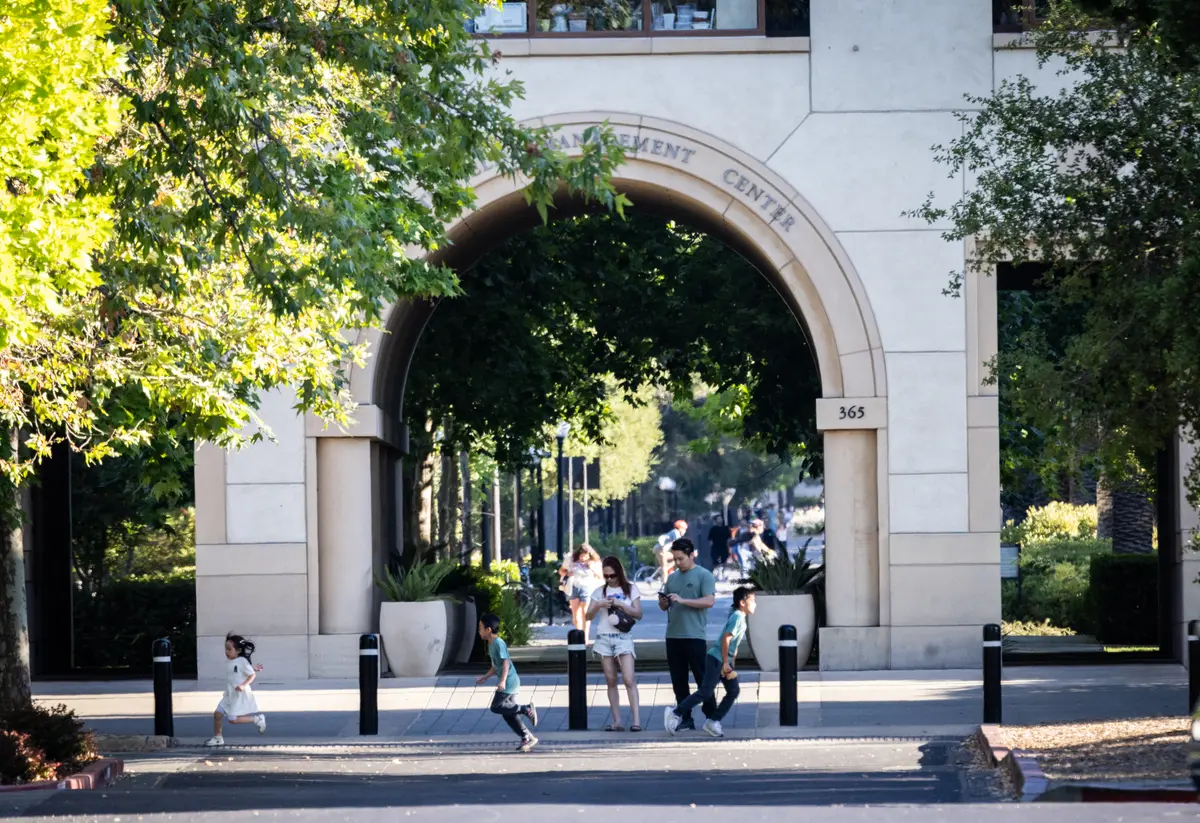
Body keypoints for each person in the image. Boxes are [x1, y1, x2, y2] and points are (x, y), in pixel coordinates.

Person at [664, 586, 756, 738]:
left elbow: (733, 644)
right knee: (706, 691)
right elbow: (726, 639)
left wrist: (731, 665)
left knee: (733, 691)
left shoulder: (739, 616)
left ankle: (713, 721)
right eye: (752, 601)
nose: (755, 604)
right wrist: (726, 663)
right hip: (717, 659)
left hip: (724, 661)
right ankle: (675, 713)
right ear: (742, 603)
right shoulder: (738, 617)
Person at [657, 537, 716, 731]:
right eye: (675, 559)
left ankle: (711, 716)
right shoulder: (672, 577)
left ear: (692, 555)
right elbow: (663, 606)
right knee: (678, 680)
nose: (678, 562)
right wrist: (665, 602)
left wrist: (683, 601)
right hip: (673, 635)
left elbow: (709, 601)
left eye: (681, 558)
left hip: (694, 635)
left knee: (702, 678)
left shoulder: (704, 575)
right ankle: (685, 718)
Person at [585, 555, 644, 731]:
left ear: (619, 573)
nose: (609, 579)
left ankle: (636, 721)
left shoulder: (630, 590)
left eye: (613, 576)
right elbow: (587, 616)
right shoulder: (599, 592)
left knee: (629, 679)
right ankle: (617, 721)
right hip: (604, 638)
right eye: (606, 576)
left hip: (623, 638)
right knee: (611, 680)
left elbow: (638, 614)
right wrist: (598, 605)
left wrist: (621, 605)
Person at [476, 612, 540, 752]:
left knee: (496, 706)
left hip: (509, 682)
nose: (479, 631)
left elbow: (505, 663)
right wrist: (485, 677)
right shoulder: (491, 644)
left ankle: (526, 709)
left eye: (480, 628)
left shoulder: (498, 643)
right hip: (508, 681)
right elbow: (496, 665)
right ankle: (526, 737)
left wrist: (503, 681)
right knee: (508, 714)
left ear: (488, 630)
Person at [205, 633, 267, 746]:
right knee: (217, 714)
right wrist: (252, 668)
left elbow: (252, 675)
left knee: (232, 719)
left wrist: (243, 685)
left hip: (238, 694)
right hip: (229, 693)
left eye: (229, 649)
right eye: (225, 649)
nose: (226, 652)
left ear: (238, 650)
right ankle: (218, 738)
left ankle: (257, 719)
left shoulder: (242, 661)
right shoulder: (233, 661)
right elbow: (238, 670)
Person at [558, 544, 603, 644]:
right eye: (581, 555)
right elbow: (561, 571)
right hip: (573, 586)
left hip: (587, 587)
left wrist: (592, 568)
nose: (583, 557)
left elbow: (600, 576)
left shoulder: (595, 562)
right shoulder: (571, 561)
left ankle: (585, 637)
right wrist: (567, 573)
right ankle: (579, 634)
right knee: (576, 614)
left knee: (585, 613)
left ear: (590, 555)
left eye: (585, 555)